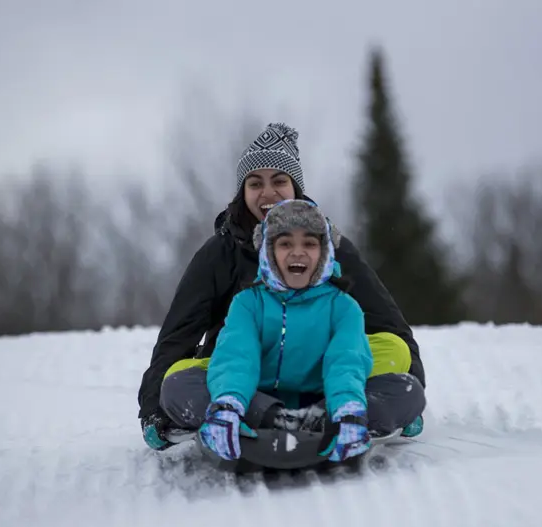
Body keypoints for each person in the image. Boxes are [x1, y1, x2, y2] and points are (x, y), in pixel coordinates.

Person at [138, 121, 426, 451]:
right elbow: (179, 335)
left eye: (279, 181)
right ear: (242, 193)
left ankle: (326, 411)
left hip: (323, 375)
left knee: (394, 350)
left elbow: (388, 323)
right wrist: (153, 409)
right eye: (255, 183)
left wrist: (414, 387)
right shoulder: (220, 254)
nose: (267, 192)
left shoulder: (331, 247)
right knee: (177, 380)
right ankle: (265, 413)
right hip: (242, 376)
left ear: (295, 188)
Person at [186, 198, 385, 461]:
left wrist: (347, 410)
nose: (298, 252)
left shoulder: (343, 306)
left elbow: (346, 361)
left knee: (403, 389)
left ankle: (337, 424)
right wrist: (227, 404)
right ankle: (257, 419)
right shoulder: (248, 303)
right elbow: (237, 356)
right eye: (285, 243)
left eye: (310, 244)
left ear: (324, 253)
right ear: (269, 252)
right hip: (257, 402)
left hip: (323, 404)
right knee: (181, 384)